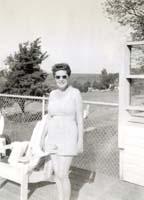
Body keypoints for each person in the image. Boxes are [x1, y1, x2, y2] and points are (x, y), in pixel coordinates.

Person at [44, 63, 83, 200]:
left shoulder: (75, 93)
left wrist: (80, 141)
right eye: (58, 76)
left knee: (63, 173)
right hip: (53, 137)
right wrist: (43, 138)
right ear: (54, 78)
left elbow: (79, 119)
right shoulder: (52, 94)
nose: (61, 79)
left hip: (68, 137)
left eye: (64, 76)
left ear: (68, 76)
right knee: (57, 174)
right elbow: (49, 117)